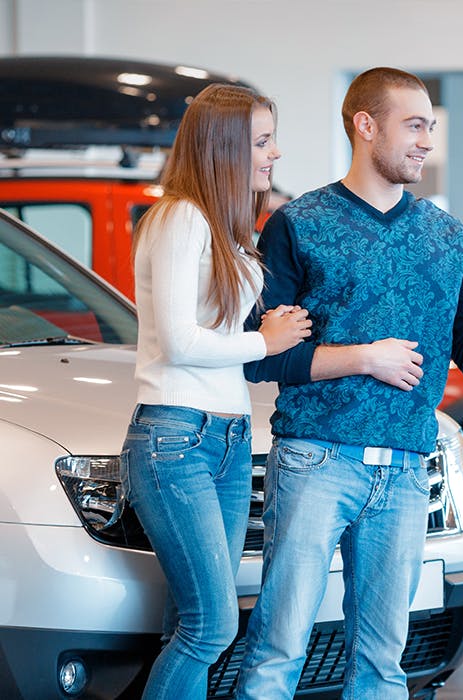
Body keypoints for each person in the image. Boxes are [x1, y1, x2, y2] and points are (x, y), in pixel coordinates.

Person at [236, 66, 463, 699]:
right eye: (413, 126)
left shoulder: (447, 236)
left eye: (429, 128)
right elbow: (261, 357)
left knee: (383, 666)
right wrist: (364, 357)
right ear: (365, 125)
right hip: (315, 460)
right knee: (278, 653)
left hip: (410, 471)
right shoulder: (298, 223)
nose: (426, 141)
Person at [120, 83, 311, 698]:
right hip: (174, 439)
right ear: (223, 148)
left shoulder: (224, 228)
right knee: (210, 628)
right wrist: (267, 342)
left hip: (225, 438)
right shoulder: (179, 218)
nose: (275, 153)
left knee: (191, 625)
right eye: (261, 141)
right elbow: (179, 342)